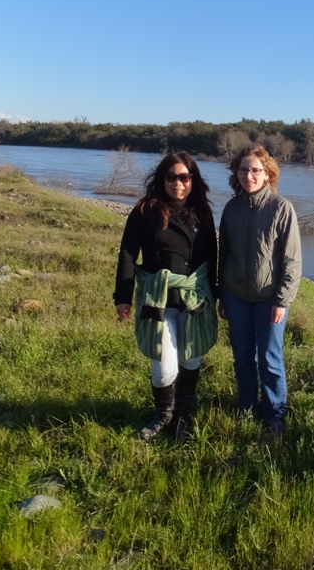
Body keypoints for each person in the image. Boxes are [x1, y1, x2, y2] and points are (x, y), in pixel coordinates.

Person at [114, 151, 218, 442]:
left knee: (192, 358)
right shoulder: (145, 211)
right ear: (162, 179)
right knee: (164, 365)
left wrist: (216, 297)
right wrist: (122, 296)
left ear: (193, 180)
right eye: (171, 177)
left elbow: (211, 257)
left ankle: (182, 413)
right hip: (158, 301)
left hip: (195, 300)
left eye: (184, 177)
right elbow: (127, 254)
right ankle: (163, 414)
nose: (178, 183)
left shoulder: (203, 213)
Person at [218, 144, 301, 434]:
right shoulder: (231, 208)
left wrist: (282, 301)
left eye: (255, 170)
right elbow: (223, 254)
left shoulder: (282, 208)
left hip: (269, 299)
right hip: (235, 296)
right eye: (243, 170)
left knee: (270, 358)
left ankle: (275, 413)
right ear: (236, 174)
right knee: (242, 357)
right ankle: (247, 407)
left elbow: (292, 261)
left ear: (267, 174)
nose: (248, 175)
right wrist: (221, 294)